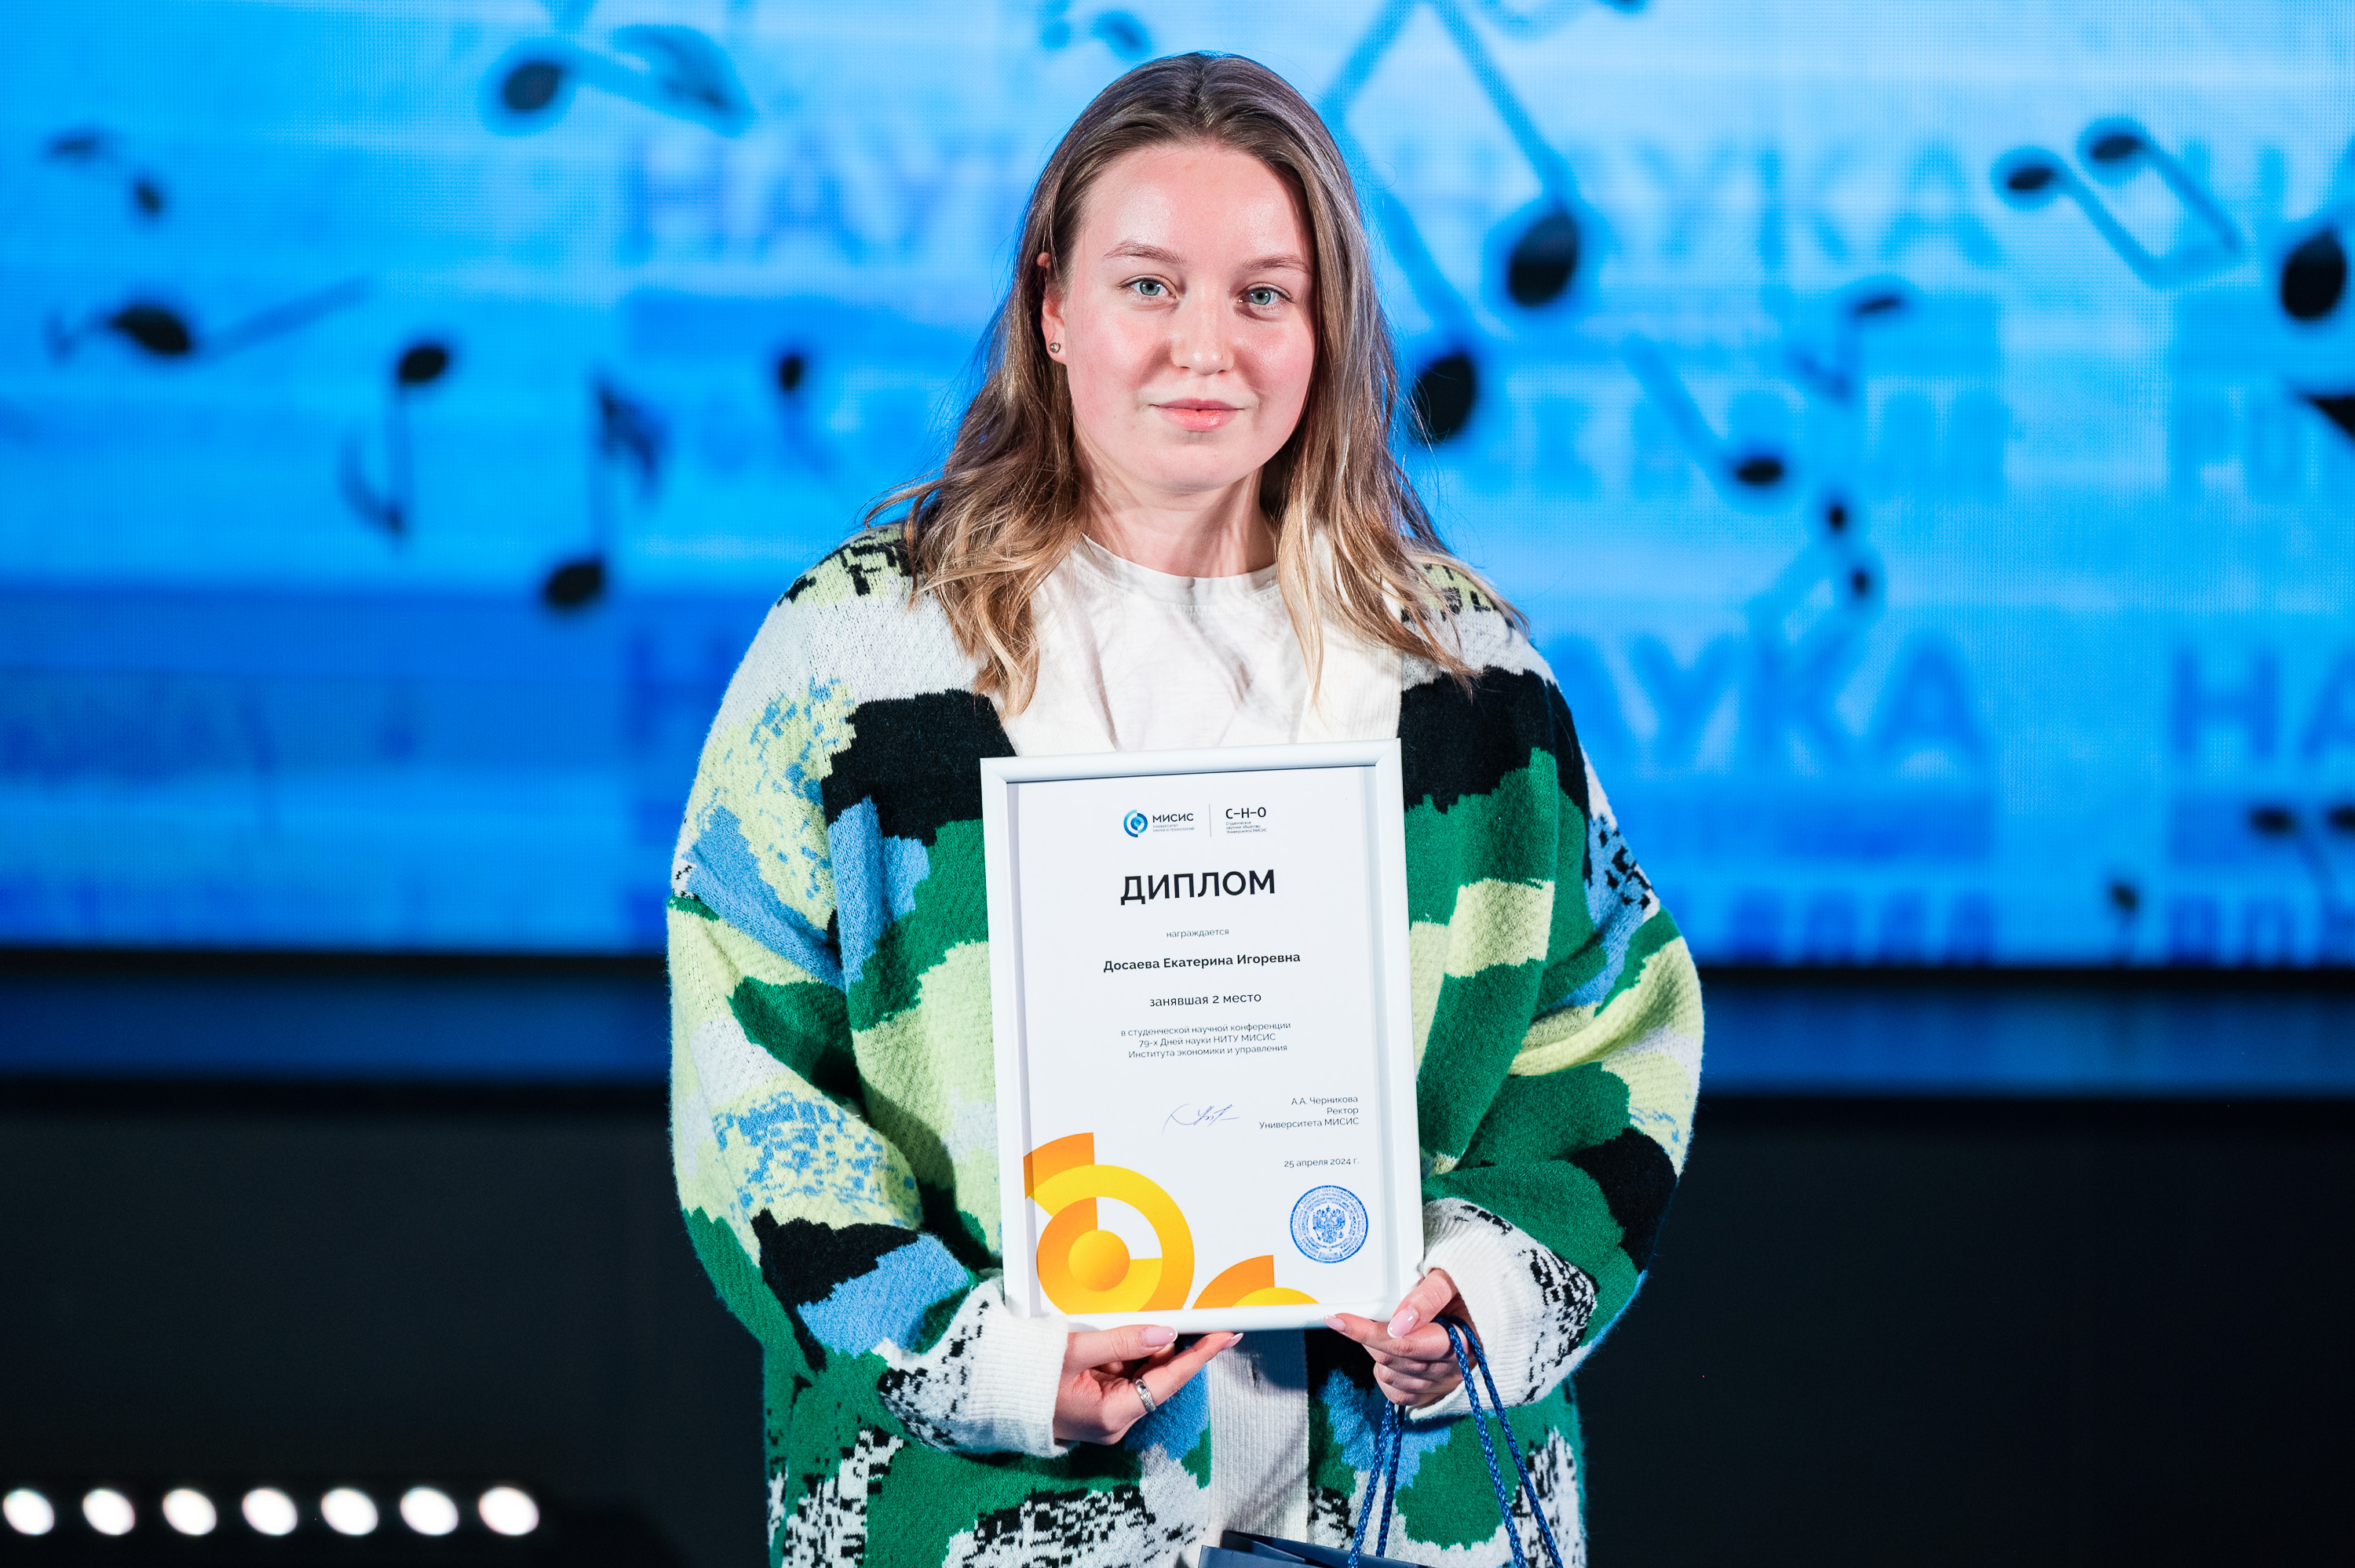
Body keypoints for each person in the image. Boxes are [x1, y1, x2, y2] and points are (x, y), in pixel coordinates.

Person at [668, 51, 1703, 1568]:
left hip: (1408, 1512)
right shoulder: (858, 660)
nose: (1203, 347)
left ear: (1328, 326)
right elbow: (748, 1081)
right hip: (981, 1518)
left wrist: (1477, 1292)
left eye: (1264, 294)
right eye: (1148, 284)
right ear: (1051, 306)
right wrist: (990, 1359)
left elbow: (1610, 1022)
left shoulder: (1467, 673)